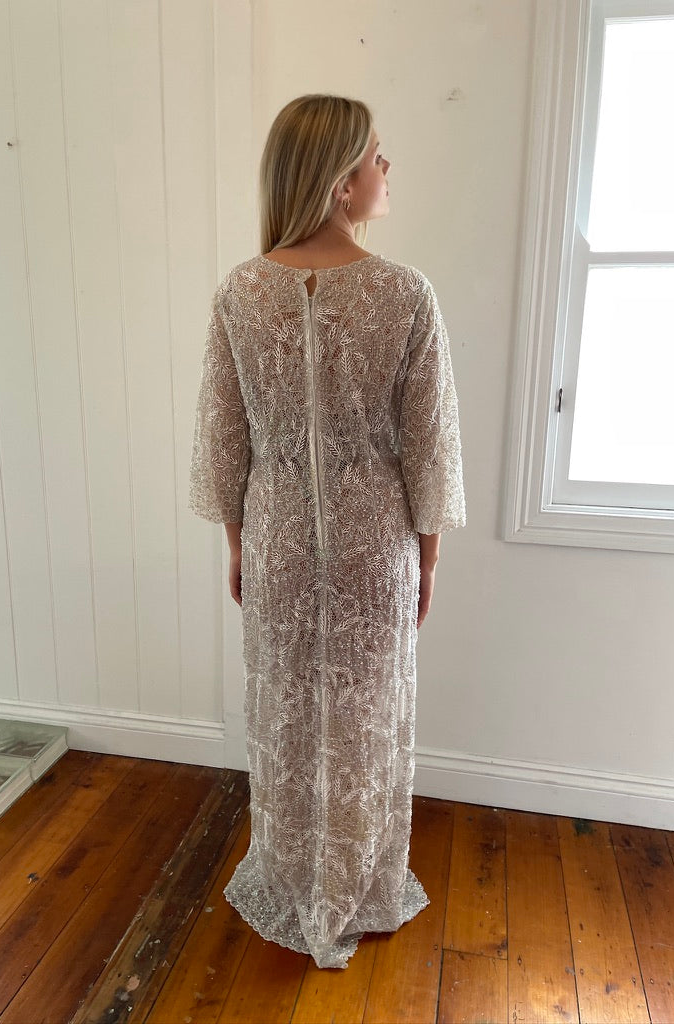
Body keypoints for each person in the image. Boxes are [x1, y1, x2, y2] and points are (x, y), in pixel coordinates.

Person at [189, 94, 466, 969]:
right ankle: (354, 885)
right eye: (377, 157)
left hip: (275, 539)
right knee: (363, 724)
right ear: (342, 182)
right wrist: (428, 560)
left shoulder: (240, 291)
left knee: (285, 717)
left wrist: (239, 545)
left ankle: (291, 876)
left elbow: (223, 441)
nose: (388, 169)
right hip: (375, 547)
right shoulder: (404, 291)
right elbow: (431, 447)